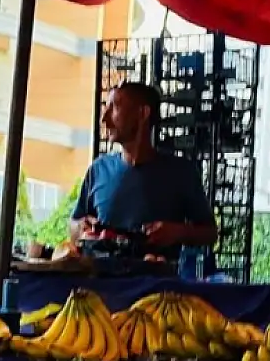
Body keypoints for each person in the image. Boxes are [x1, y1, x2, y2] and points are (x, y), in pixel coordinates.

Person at [69, 81, 217, 255]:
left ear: (142, 113)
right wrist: (80, 228)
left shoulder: (182, 173)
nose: (104, 119)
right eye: (105, 108)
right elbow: (73, 224)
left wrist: (177, 232)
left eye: (114, 108)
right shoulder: (98, 169)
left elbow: (210, 233)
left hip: (157, 280)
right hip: (99, 280)